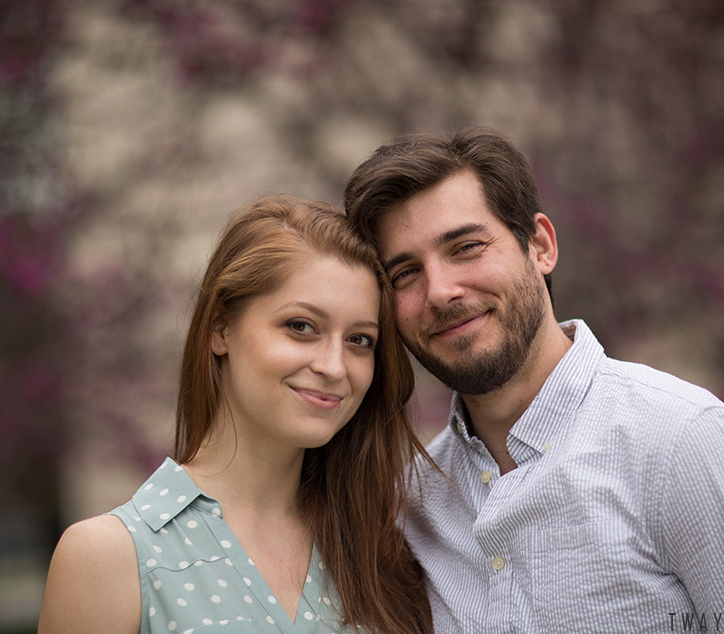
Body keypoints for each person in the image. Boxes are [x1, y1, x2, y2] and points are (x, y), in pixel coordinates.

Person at [343, 127, 724, 633]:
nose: (441, 291)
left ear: (540, 246)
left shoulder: (689, 447)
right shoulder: (416, 505)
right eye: (405, 273)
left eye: (467, 247)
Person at [38, 195, 434, 634]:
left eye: (360, 339)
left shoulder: (385, 553)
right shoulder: (110, 556)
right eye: (301, 326)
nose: (334, 367)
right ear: (220, 328)